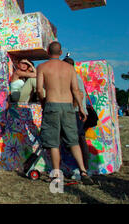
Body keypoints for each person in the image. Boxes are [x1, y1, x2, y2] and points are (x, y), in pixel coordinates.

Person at [36, 42, 93, 185]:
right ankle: (83, 171)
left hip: (52, 104)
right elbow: (75, 90)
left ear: (48, 52)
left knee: (53, 143)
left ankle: (56, 175)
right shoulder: (69, 68)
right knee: (73, 141)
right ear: (60, 52)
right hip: (68, 106)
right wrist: (80, 107)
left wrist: (44, 103)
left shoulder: (42, 67)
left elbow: (38, 90)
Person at [63, 56, 90, 171]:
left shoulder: (74, 78)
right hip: (76, 111)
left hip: (75, 112)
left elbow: (78, 94)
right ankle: (82, 167)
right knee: (77, 138)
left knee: (79, 138)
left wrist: (79, 108)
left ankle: (83, 167)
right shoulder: (74, 77)